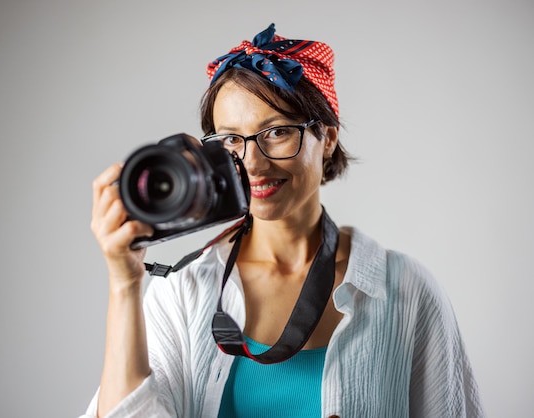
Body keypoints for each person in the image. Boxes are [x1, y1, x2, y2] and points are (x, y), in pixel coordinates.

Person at [80, 23, 485, 418]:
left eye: (276, 132)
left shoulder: (405, 292)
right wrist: (125, 282)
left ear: (326, 138)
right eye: (230, 140)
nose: (252, 163)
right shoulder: (183, 292)